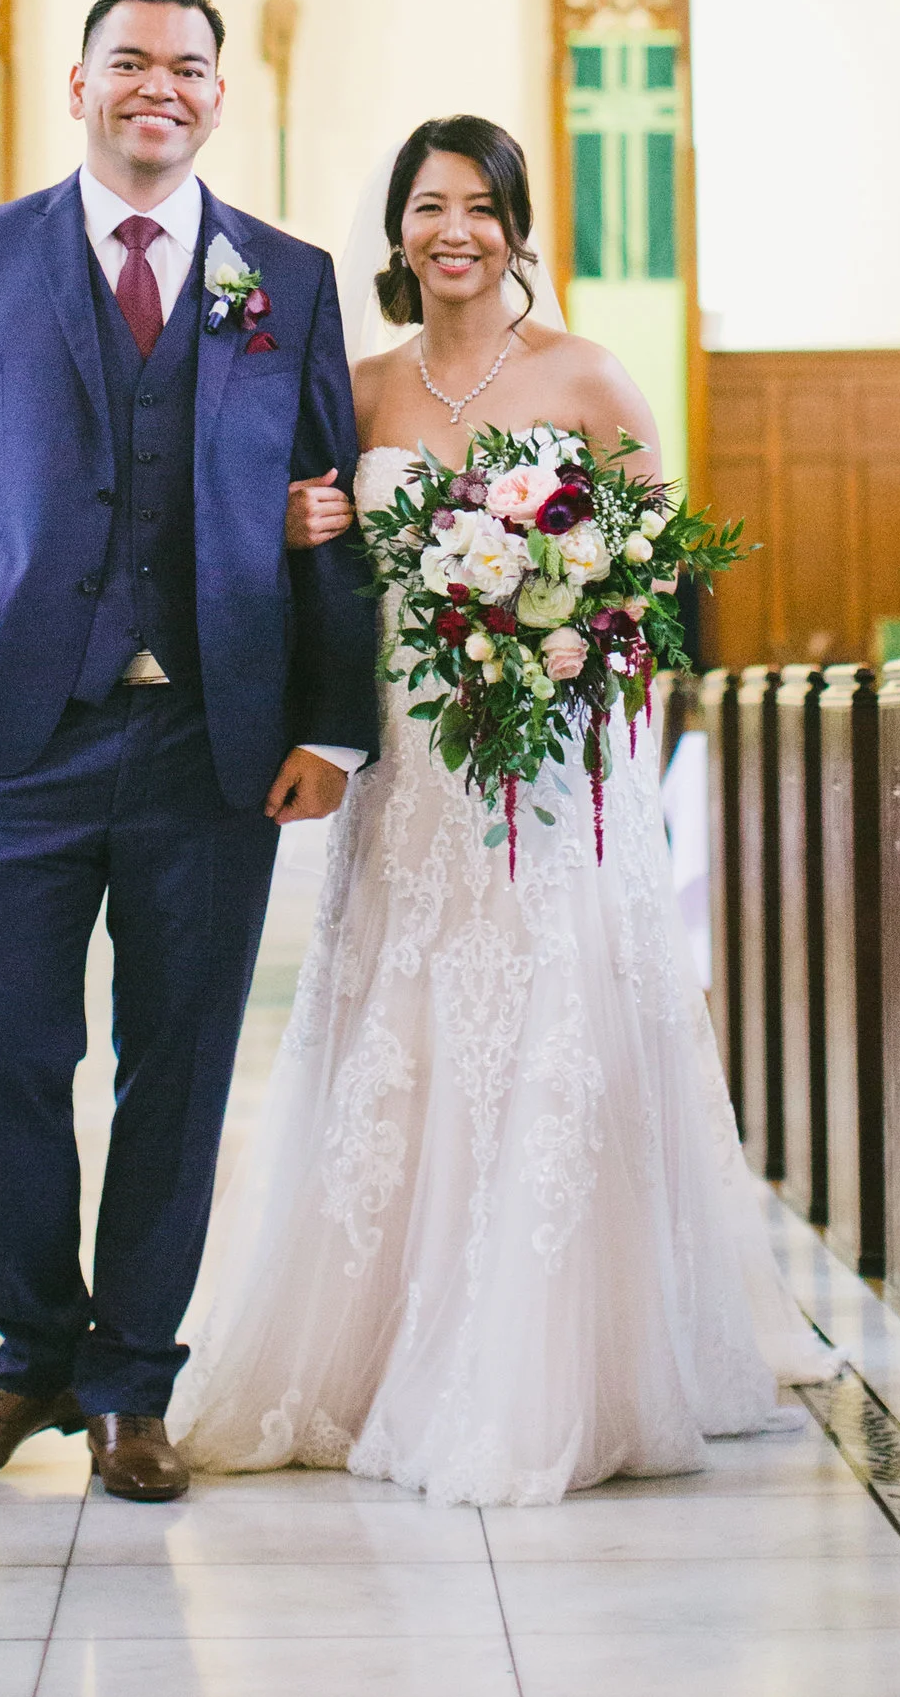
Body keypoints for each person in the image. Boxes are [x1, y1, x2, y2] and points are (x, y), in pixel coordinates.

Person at [175, 112, 833, 1506]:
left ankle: (545, 1353)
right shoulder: (351, 389)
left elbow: (664, 573)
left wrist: (574, 628)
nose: (454, 228)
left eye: (481, 204)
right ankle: (374, 1350)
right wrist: (301, 526)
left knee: (548, 1018)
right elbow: (289, 551)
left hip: (546, 760)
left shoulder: (587, 374)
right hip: (409, 756)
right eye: (428, 203)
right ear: (398, 230)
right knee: (402, 1020)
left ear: (519, 228)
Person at [0, 0, 381, 1504]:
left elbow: (332, 520)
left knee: (177, 1068)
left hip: (209, 745)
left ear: (219, 95)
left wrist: (334, 725)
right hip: (8, 742)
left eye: (186, 64)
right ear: (80, 83)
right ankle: (30, 1358)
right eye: (129, 61)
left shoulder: (285, 279)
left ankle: (130, 1388)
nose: (157, 83)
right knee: (8, 1050)